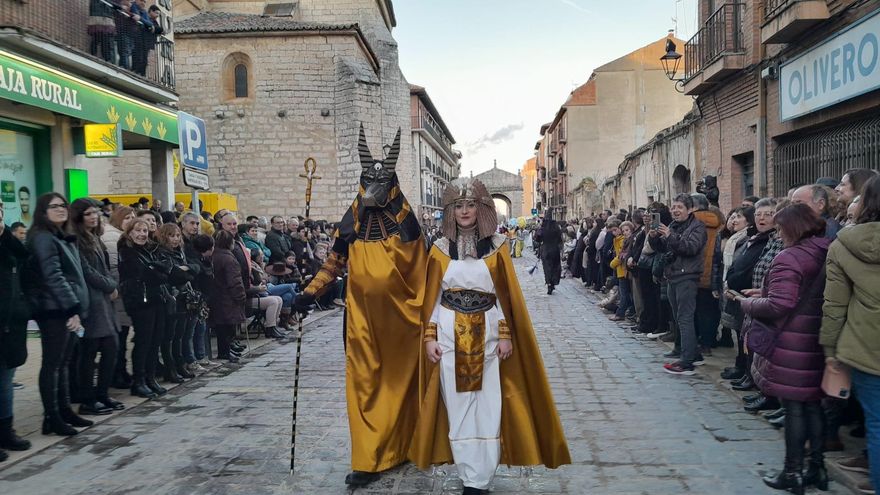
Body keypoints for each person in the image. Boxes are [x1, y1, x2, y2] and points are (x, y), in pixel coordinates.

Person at [410, 179, 570, 494]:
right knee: (458, 406)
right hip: (449, 335)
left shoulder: (497, 248)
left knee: (487, 404)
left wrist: (507, 334)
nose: (465, 211)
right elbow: (430, 299)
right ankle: (469, 471)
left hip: (488, 337)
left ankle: (480, 478)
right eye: (459, 206)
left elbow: (503, 297)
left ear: (482, 209)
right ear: (451, 211)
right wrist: (429, 337)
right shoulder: (439, 250)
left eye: (470, 205)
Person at [294, 126, 426, 487]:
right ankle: (368, 458)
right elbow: (332, 264)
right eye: (368, 180)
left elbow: (424, 271)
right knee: (364, 384)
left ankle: (407, 444)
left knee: (402, 383)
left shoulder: (409, 227)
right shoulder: (349, 224)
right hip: (361, 321)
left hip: (404, 321)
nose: (374, 188)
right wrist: (310, 292)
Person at [736, 203, 831, 493]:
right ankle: (817, 469)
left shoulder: (789, 257)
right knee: (813, 405)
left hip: (791, 341)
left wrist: (747, 302)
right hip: (815, 339)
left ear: (792, 227)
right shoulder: (824, 249)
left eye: (780, 228)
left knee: (794, 409)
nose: (778, 234)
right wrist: (766, 292)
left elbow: (781, 304)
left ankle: (792, 472)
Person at [822, 175, 880, 493]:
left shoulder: (844, 243)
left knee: (878, 423)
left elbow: (835, 306)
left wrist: (830, 352)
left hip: (865, 348)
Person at [27, 193, 92, 436]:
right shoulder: (43, 237)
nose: (61, 209)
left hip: (66, 308)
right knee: (53, 364)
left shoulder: (61, 237)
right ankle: (52, 416)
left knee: (63, 363)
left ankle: (64, 410)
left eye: (63, 205)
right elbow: (53, 277)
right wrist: (72, 309)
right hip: (55, 310)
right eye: (54, 207)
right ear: (43, 212)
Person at [69, 199, 124, 416]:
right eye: (88, 214)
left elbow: (105, 267)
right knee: (89, 352)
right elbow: (86, 271)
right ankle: (88, 399)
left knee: (112, 347)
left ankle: (102, 393)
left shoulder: (96, 238)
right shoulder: (76, 240)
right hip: (90, 302)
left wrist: (111, 284)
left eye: (96, 213)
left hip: (104, 302)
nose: (93, 217)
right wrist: (110, 284)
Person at [649, 193, 708, 375]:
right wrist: (653, 237)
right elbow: (661, 249)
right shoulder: (674, 225)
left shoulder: (697, 227)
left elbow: (689, 248)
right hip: (672, 275)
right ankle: (688, 351)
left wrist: (669, 235)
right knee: (677, 316)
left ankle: (687, 360)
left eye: (679, 207)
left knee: (685, 317)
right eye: (673, 207)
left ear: (690, 210)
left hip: (687, 276)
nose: (675, 211)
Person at [118, 218, 172, 398]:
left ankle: (150, 378)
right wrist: (157, 270)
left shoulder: (150, 250)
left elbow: (165, 271)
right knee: (143, 341)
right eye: (138, 230)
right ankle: (138, 380)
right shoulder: (127, 251)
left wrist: (157, 270)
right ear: (130, 232)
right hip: (139, 300)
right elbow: (143, 273)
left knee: (155, 340)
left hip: (156, 298)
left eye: (145, 231)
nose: (142, 234)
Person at [0, 203, 32, 458]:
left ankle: (6, 431)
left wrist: (4, 235)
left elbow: (24, 256)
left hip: (10, 324)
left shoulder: (7, 247)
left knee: (6, 381)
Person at [155, 224, 198, 381]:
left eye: (178, 235)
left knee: (180, 334)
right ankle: (171, 368)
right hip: (172, 296)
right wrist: (185, 271)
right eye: (171, 235)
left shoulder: (179, 252)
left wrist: (186, 269)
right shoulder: (161, 253)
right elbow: (174, 274)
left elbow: (194, 269)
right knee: (170, 336)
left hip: (184, 296)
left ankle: (179, 365)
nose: (175, 239)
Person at [102, 206, 135, 390]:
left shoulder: (120, 236)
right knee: (119, 338)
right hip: (118, 296)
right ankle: (118, 374)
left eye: (133, 217)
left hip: (121, 296)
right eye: (127, 217)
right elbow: (115, 269)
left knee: (121, 337)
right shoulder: (113, 237)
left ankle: (120, 372)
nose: (130, 220)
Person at [209, 231, 247, 363]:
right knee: (226, 326)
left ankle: (226, 350)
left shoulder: (215, 255)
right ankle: (224, 352)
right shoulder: (229, 259)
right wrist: (241, 296)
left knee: (222, 326)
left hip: (218, 295)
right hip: (227, 296)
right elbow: (235, 281)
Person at [609, 221, 630, 321]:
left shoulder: (622, 240)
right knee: (623, 293)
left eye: (615, 230)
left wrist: (613, 263)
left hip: (623, 269)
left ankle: (620, 313)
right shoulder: (617, 240)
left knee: (624, 293)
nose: (614, 232)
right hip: (620, 270)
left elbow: (621, 255)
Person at [539, 211, 563, 295]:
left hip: (546, 249)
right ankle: (553, 282)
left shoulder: (543, 226)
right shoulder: (556, 227)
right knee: (554, 267)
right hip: (555, 250)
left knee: (547, 268)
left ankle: (549, 283)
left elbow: (538, 238)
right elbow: (560, 239)